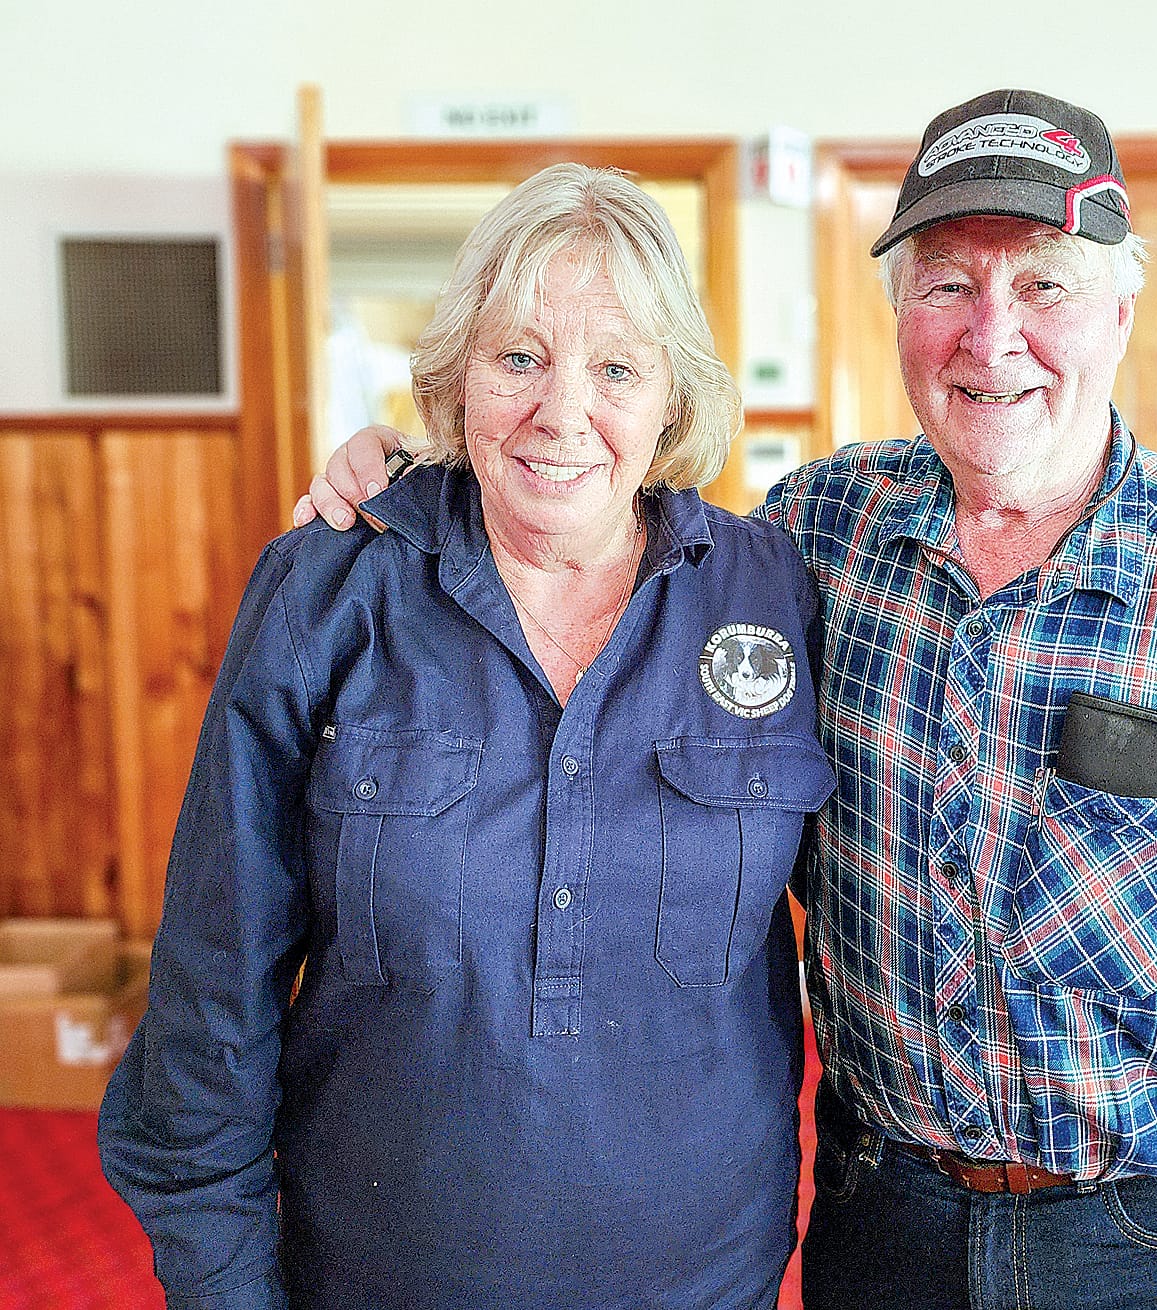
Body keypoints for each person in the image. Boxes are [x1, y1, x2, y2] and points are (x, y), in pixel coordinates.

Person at [302, 91, 1157, 1310]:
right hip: (880, 1231)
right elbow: (595, 520)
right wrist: (418, 466)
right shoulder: (810, 540)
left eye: (1046, 286)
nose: (992, 335)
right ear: (900, 313)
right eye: (948, 283)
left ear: (1120, 313)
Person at [99, 163, 837, 1310]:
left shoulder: (772, 588)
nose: (561, 412)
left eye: (617, 368)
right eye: (519, 357)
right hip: (374, 1274)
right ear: (454, 378)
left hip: (706, 1278)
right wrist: (224, 1277)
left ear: (672, 402)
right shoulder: (332, 583)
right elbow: (212, 981)